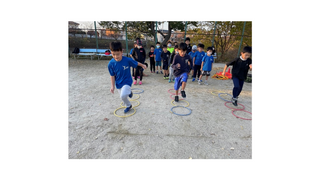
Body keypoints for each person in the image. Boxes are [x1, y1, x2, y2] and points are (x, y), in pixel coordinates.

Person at [108, 41, 147, 113]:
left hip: (127, 81)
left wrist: (142, 65)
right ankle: (128, 105)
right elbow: (112, 75)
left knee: (122, 96)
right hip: (118, 83)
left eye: (118, 54)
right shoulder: (111, 64)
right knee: (123, 97)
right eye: (113, 54)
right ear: (111, 52)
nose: (116, 56)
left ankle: (128, 92)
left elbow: (136, 63)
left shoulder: (127, 60)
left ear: (121, 52)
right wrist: (112, 86)